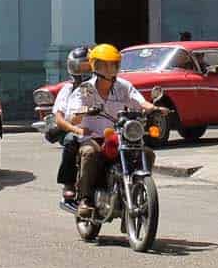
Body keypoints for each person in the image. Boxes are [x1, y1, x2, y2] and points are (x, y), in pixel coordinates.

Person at [65, 44, 158, 218]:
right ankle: (86, 199)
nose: (109, 69)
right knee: (90, 153)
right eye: (104, 65)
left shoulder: (124, 86)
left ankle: (138, 190)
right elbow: (72, 117)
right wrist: (86, 110)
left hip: (117, 136)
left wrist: (153, 107)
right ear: (95, 66)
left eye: (113, 64)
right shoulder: (85, 88)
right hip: (92, 136)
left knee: (146, 153)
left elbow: (138, 100)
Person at [52, 46, 92, 203]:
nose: (82, 71)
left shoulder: (103, 86)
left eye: (86, 66)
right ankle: (68, 183)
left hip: (101, 128)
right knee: (70, 141)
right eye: (78, 67)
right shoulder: (67, 89)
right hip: (76, 130)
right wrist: (74, 123)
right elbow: (59, 119)